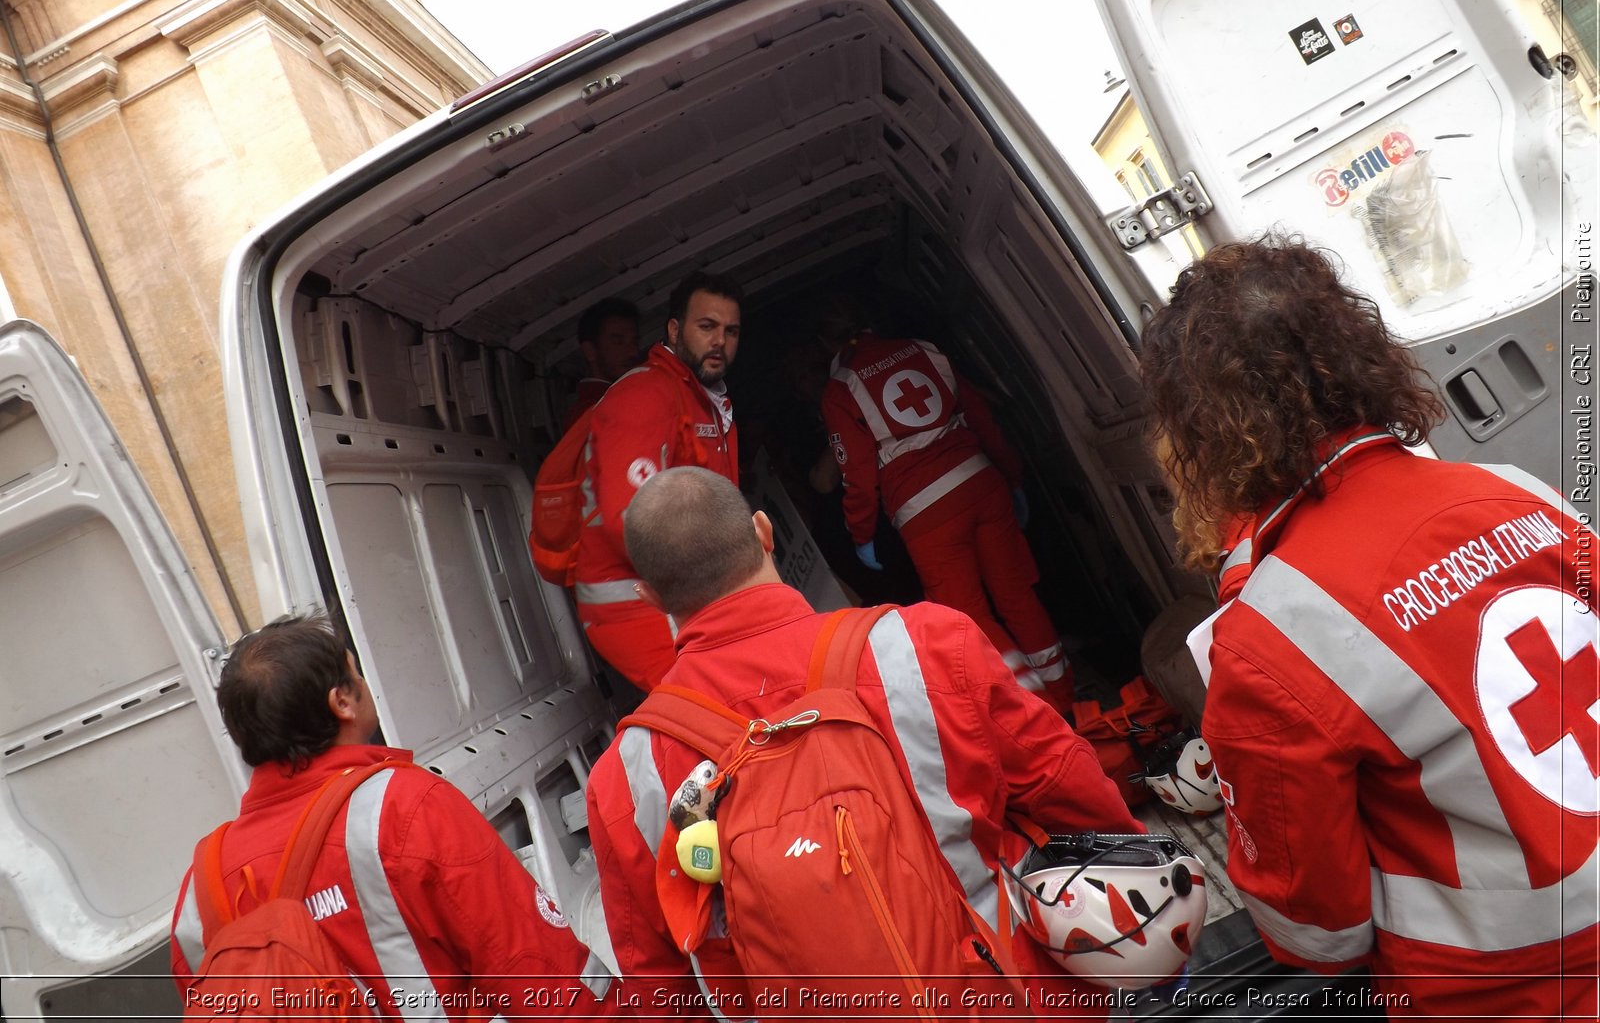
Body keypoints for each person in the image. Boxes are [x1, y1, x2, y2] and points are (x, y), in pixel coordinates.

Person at [1140, 238, 1599, 1019]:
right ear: (1357, 356)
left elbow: (1318, 934)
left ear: (1199, 433)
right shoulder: (1518, 493)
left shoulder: (1267, 638)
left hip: (1508, 991)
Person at [585, 466, 1141, 1013]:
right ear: (763, 531)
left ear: (650, 596)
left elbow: (659, 985)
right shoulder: (924, 645)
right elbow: (1066, 787)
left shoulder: (625, 779)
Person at [170, 613, 617, 1019]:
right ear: (342, 700)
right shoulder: (404, 808)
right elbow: (540, 976)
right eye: (355, 672)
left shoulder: (201, 887)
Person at [818, 307, 1073, 709]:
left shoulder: (840, 390)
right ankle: (1065, 693)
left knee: (969, 619)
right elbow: (981, 417)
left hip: (927, 513)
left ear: (825, 344)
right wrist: (1012, 475)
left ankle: (1041, 712)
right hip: (983, 483)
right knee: (1017, 595)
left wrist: (862, 535)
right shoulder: (923, 349)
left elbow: (859, 475)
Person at [575, 271, 742, 690]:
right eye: (707, 327)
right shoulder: (646, 395)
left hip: (685, 595)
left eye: (730, 331)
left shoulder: (702, 398)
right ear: (674, 329)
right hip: (641, 605)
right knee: (723, 713)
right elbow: (630, 521)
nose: (719, 340)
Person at [563, 298, 642, 432]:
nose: (632, 352)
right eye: (618, 342)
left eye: (634, 342)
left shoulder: (623, 400)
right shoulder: (592, 413)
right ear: (590, 351)